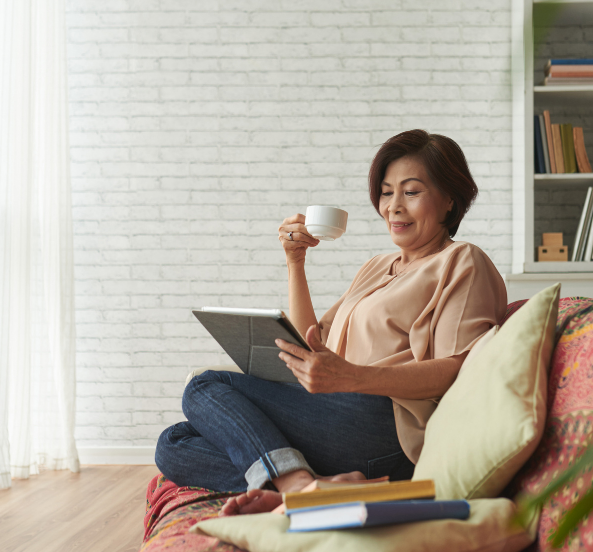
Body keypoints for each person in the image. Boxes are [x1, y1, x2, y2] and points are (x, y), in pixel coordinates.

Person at [154, 129, 507, 516]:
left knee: (207, 384)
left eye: (411, 191)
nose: (394, 206)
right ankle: (324, 484)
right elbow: (311, 342)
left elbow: (459, 370)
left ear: (450, 199)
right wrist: (296, 262)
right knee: (174, 442)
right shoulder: (376, 267)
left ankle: (297, 484)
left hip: (385, 427)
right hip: (335, 413)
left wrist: (352, 377)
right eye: (387, 192)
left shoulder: (462, 262)